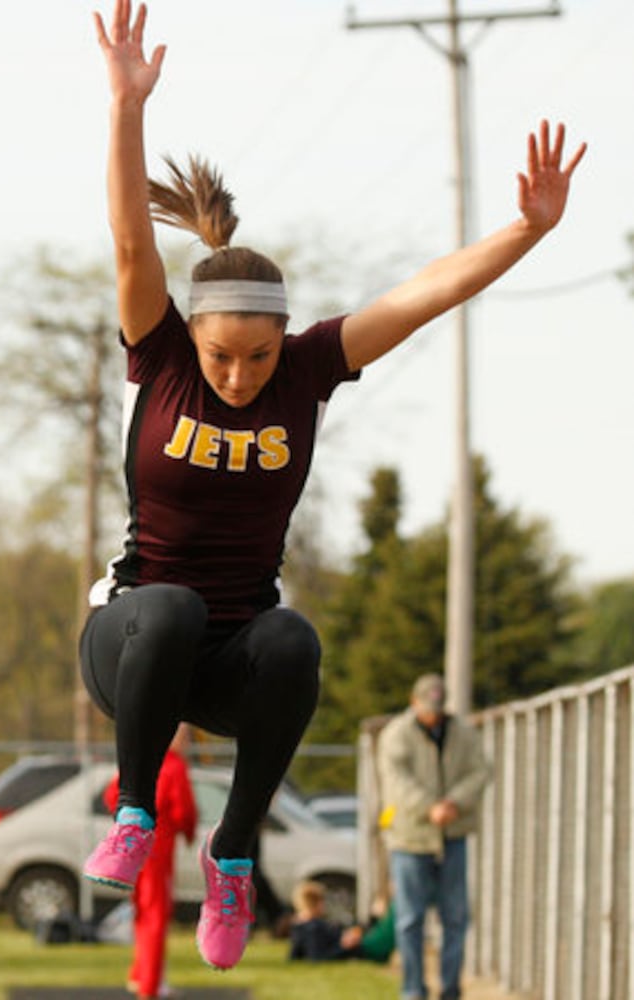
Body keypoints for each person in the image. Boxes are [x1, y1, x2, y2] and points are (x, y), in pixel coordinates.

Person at [80, 0, 585, 976]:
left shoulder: (310, 368)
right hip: (135, 640)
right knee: (175, 603)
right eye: (224, 357)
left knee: (293, 633)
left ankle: (233, 856)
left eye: (258, 358)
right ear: (195, 338)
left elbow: (424, 291)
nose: (239, 376)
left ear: (284, 341)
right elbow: (133, 245)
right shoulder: (164, 354)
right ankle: (133, 812)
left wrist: (526, 230)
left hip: (233, 657)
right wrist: (124, 106)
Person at [377, 674, 491, 1000]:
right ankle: (413, 989)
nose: (433, 714)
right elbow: (397, 782)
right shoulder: (396, 734)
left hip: (453, 834)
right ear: (414, 703)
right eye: (428, 708)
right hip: (410, 838)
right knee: (411, 918)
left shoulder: (464, 733)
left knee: (455, 916)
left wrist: (454, 802)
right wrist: (430, 808)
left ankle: (451, 988)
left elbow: (480, 770)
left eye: (438, 708)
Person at [104, 723, 198, 1000]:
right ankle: (151, 985)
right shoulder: (174, 765)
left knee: (143, 912)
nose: (187, 742)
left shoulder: (140, 758)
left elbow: (112, 795)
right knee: (156, 914)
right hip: (159, 847)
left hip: (134, 846)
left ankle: (140, 974)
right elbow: (184, 809)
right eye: (185, 736)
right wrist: (187, 831)